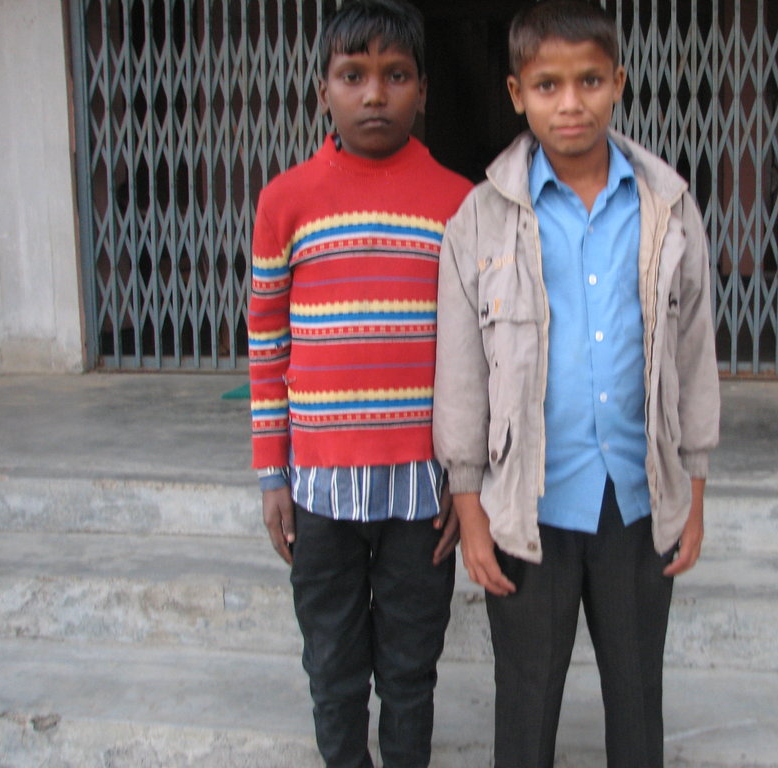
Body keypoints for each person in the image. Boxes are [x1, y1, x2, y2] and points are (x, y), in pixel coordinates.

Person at [433, 1, 720, 766]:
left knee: (638, 699)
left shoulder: (667, 206)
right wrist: (470, 513)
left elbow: (693, 359)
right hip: (528, 508)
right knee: (525, 705)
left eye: (590, 80)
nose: (571, 102)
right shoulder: (481, 219)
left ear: (618, 82)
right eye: (548, 84)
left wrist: (692, 499)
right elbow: (460, 379)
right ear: (516, 92)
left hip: (636, 501)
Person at [247, 1, 472, 765]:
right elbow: (267, 341)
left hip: (422, 494)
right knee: (334, 672)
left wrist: (464, 479)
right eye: (354, 75)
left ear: (423, 92)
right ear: (323, 92)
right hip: (319, 495)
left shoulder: (458, 203)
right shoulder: (285, 202)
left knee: (410, 672)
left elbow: (477, 356)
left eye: (395, 75)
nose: (374, 94)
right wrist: (272, 472)